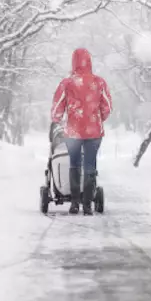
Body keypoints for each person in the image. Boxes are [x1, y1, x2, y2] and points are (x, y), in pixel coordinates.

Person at [50, 48, 112, 215]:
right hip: (94, 131)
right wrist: (97, 119)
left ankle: (75, 203)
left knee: (75, 165)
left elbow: (57, 108)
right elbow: (107, 107)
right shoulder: (99, 83)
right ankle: (87, 206)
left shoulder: (67, 83)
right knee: (90, 166)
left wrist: (58, 119)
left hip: (73, 132)